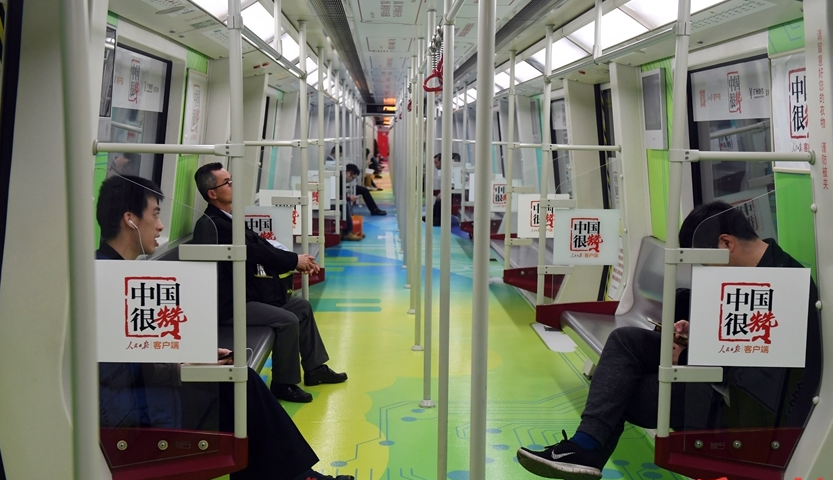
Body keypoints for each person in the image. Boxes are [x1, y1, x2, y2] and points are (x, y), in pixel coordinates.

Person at [516, 201, 822, 480]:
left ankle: (586, 448)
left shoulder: (785, 285)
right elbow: (739, 343)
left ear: (726, 243)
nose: (705, 272)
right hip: (714, 381)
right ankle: (585, 449)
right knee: (625, 341)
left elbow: (758, 382)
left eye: (705, 263)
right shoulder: (744, 276)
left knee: (619, 392)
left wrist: (686, 357)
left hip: (741, 412)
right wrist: (696, 334)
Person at [95, 174, 353, 480]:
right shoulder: (106, 283)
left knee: (240, 382)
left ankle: (296, 475)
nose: (161, 226)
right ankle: (299, 476)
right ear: (130, 220)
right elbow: (116, 371)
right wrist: (181, 366)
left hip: (147, 384)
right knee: (240, 388)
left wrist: (191, 355)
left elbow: (139, 349)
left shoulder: (119, 273)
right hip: (129, 407)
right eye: (155, 215)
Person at [192, 163, 347, 403]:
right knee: (287, 320)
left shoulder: (229, 217)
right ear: (212, 193)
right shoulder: (214, 224)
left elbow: (260, 245)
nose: (233, 185)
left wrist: (295, 260)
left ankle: (315, 368)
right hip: (231, 304)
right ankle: (283, 383)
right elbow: (256, 253)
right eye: (227, 183)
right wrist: (293, 261)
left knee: (302, 307)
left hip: (248, 294)